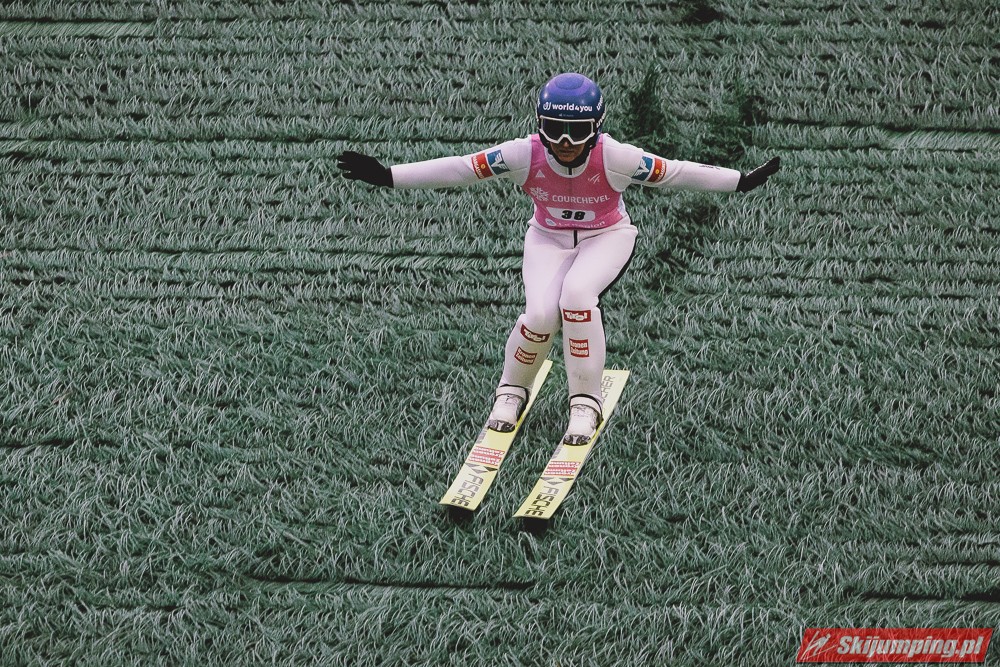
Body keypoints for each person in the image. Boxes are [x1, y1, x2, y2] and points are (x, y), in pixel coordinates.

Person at [337, 72, 779, 445]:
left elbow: (675, 172)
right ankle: (511, 391)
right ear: (540, 124)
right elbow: (463, 168)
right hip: (547, 237)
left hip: (606, 237)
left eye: (578, 131)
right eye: (555, 128)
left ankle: (585, 402)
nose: (566, 142)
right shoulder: (523, 155)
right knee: (540, 315)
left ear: (597, 128)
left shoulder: (615, 157)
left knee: (578, 297)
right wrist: (389, 176)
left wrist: (737, 181)